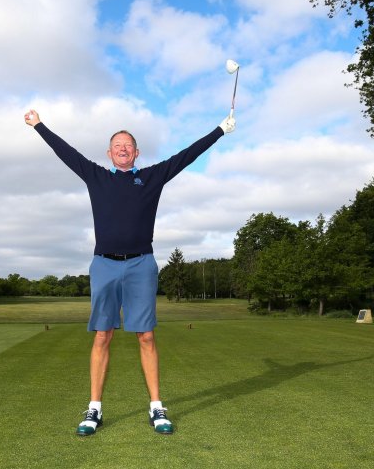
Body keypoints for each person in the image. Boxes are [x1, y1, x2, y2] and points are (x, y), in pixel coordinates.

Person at [24, 108, 235, 436]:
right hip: (104, 264)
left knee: (147, 336)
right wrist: (39, 126)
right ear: (110, 153)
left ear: (136, 153)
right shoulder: (97, 176)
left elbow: (187, 155)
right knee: (102, 335)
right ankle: (94, 409)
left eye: (129, 145)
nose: (123, 148)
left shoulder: (152, 177)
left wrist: (220, 129)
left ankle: (156, 407)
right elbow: (65, 151)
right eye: (117, 145)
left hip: (141, 264)